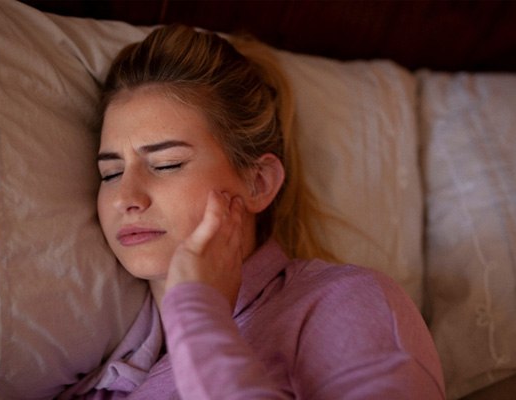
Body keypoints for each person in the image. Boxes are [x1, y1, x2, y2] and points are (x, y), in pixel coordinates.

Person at [60, 24, 445, 399]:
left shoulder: (345, 301)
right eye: (110, 172)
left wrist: (198, 316)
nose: (126, 196)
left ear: (258, 183)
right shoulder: (103, 377)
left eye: (167, 164)